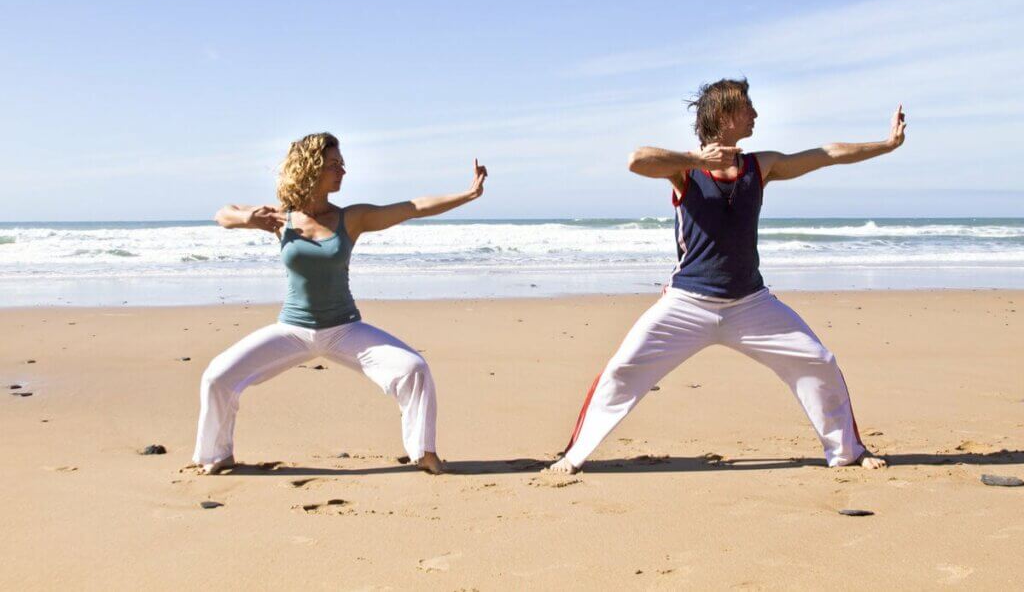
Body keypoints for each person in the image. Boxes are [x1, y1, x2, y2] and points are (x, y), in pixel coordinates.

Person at [549, 79, 904, 474]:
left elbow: (827, 155)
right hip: (687, 303)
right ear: (725, 115)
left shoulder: (761, 165)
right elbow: (637, 160)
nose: (755, 114)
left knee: (819, 362)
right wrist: (698, 161)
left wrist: (886, 145)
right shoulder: (684, 169)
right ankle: (573, 455)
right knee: (621, 370)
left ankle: (847, 452)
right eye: (747, 107)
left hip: (751, 304)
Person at [191, 132, 488, 475]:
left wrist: (468, 194)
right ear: (311, 167)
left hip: (345, 328)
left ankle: (423, 452)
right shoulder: (280, 217)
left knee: (414, 369)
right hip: (292, 330)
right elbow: (222, 214)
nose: (342, 170)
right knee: (217, 377)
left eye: (342, 163)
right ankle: (217, 454)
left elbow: (413, 208)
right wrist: (248, 219)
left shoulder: (352, 218)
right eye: (334, 164)